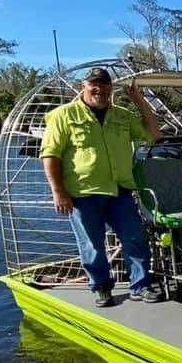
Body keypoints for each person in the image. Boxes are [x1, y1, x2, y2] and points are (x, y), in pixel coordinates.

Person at [40, 67, 163, 308]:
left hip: (120, 190)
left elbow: (154, 134)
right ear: (83, 86)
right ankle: (101, 286)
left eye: (105, 84)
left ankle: (140, 285)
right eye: (94, 83)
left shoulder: (122, 115)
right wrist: (58, 191)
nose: (100, 88)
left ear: (111, 88)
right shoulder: (64, 115)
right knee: (91, 244)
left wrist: (138, 100)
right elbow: (50, 155)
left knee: (135, 237)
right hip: (83, 193)